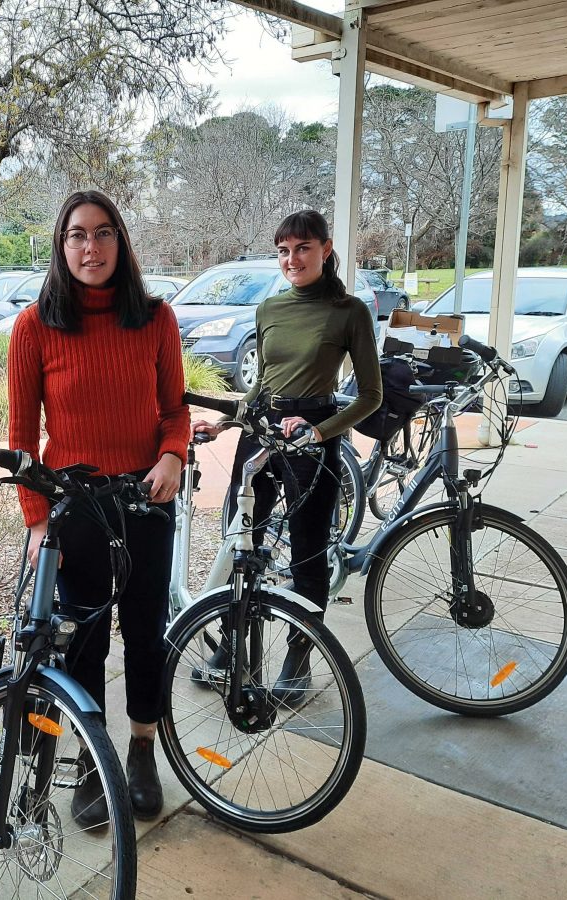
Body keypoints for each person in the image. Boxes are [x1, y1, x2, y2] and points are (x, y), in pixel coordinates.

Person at [8, 190, 190, 827]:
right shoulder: (35, 325)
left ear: (121, 242)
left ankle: (142, 751)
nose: (91, 247)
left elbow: (175, 410)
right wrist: (36, 519)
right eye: (78, 235)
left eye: (104, 233)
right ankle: (92, 761)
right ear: (61, 246)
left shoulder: (156, 318)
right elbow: (21, 438)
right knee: (83, 639)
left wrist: (171, 456)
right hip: (74, 504)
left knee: (145, 632)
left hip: (144, 499)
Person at [192, 210, 382, 704]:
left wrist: (319, 434)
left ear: (325, 249)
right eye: (283, 251)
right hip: (261, 433)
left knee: (308, 553)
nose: (292, 259)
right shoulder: (269, 309)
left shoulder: (349, 311)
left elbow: (370, 397)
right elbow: (260, 388)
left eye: (301, 248)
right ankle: (234, 647)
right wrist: (225, 423)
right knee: (241, 544)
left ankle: (299, 657)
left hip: (312, 439)